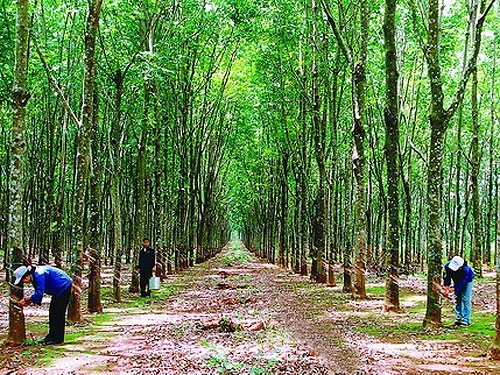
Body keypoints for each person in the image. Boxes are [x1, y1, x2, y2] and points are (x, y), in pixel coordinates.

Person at [13, 265, 72, 344]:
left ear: (26, 276)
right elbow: (38, 294)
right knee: (53, 313)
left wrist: (27, 300)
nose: (23, 282)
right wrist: (30, 300)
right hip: (58, 289)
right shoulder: (34, 275)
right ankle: (51, 337)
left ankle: (57, 339)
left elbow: (39, 293)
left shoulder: (38, 275)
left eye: (22, 280)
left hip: (63, 286)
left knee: (58, 313)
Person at [442, 255, 474, 327]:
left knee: (465, 298)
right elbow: (447, 277)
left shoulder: (466, 270)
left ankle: (466, 320)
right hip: (457, 281)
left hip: (467, 281)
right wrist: (446, 288)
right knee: (458, 299)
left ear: (460, 267)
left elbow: (463, 282)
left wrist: (454, 288)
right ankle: (458, 319)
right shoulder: (447, 266)